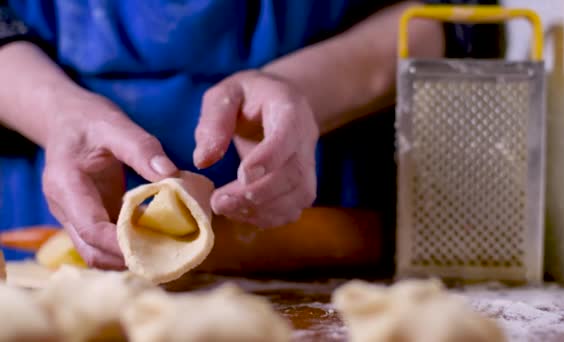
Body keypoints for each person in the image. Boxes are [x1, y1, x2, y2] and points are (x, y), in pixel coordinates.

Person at [0, 0, 503, 271]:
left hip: (322, 234)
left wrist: (303, 90)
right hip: (54, 230)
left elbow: (452, 17)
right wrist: (56, 113)